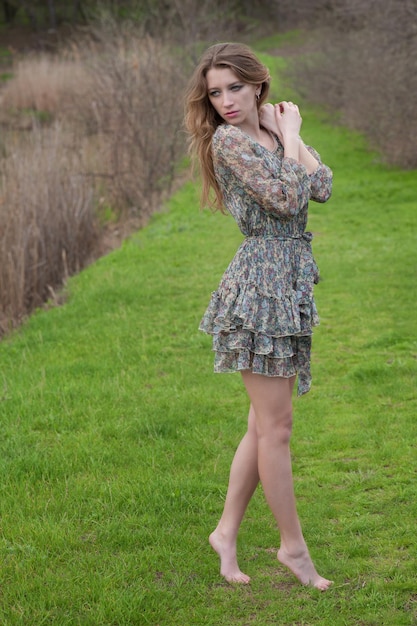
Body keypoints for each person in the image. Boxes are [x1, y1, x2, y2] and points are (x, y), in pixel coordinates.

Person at [184, 42, 333, 591]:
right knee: (277, 427)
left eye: (234, 88)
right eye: (215, 92)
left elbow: (323, 186)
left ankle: (225, 532)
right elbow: (286, 198)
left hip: (289, 281)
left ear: (258, 85)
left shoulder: (268, 134)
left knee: (262, 422)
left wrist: (286, 138)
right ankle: (293, 549)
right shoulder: (228, 144)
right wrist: (294, 138)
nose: (224, 101)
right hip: (261, 284)